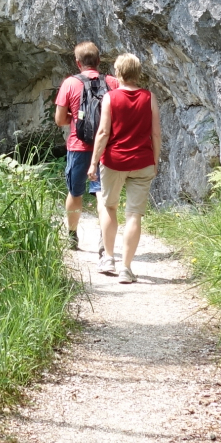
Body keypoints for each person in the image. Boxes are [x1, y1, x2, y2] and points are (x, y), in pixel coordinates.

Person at [88, 53, 159, 284]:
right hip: (142, 161)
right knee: (134, 215)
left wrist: (93, 162)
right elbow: (156, 134)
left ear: (118, 72)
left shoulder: (110, 97)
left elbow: (103, 132)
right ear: (138, 73)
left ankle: (108, 259)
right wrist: (155, 161)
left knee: (109, 207)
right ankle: (126, 269)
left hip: (114, 161)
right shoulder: (149, 98)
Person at [53, 42, 118, 251]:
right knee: (102, 195)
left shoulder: (70, 83)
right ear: (99, 61)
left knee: (75, 193)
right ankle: (104, 240)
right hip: (106, 147)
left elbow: (59, 119)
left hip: (78, 146)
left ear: (77, 62)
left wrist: (76, 118)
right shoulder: (112, 82)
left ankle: (72, 236)